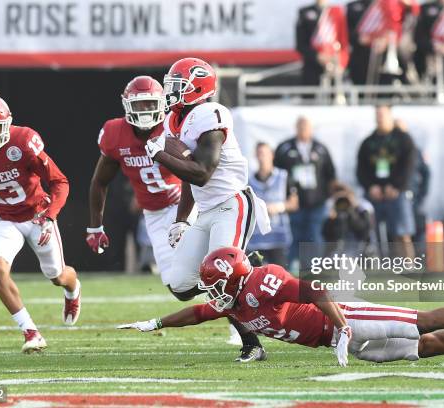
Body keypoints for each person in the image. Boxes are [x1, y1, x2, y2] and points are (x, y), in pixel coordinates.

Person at [119, 246, 444, 365]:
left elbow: (319, 290)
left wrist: (342, 326)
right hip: (340, 340)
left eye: (216, 286)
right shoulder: (233, 302)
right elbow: (195, 313)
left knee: (421, 322)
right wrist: (154, 321)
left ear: (232, 278)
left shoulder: (265, 282)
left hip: (346, 319)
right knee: (425, 346)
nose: (213, 295)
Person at [145, 57, 271, 362]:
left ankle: (252, 343)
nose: (171, 91)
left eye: (178, 86)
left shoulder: (210, 114)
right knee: (181, 284)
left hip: (232, 203)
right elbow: (190, 178)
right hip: (207, 210)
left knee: (222, 278)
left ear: (197, 87)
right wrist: (181, 221)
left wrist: (160, 154)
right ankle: (249, 274)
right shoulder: (177, 120)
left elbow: (202, 173)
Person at [0, 93, 80, 353]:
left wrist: (50, 215)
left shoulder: (22, 142)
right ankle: (30, 331)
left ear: (6, 125)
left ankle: (73, 288)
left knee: (57, 276)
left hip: (37, 215)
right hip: (4, 218)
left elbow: (60, 181)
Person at [87, 76, 189, 284]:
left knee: (197, 262)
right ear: (127, 105)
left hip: (184, 203)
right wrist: (95, 227)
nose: (145, 111)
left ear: (162, 104)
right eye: (139, 105)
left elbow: (195, 172)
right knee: (176, 284)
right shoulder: (115, 134)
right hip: (153, 214)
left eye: (150, 104)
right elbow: (99, 182)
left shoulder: (173, 128)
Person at [274, 116, 339, 267]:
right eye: (300, 126)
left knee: (314, 236)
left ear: (311, 129)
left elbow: (331, 175)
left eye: (306, 126)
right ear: (296, 128)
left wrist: (331, 201)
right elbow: (276, 173)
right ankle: (290, 270)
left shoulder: (321, 149)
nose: (303, 130)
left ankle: (313, 269)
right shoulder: (285, 148)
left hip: (317, 203)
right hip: (294, 204)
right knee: (294, 237)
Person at [356, 105, 416, 248]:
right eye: (378, 114)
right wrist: (371, 187)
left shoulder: (403, 139)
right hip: (375, 193)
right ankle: (376, 265)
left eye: (383, 114)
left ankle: (407, 266)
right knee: (370, 231)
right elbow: (361, 169)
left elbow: (408, 166)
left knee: (402, 233)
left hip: (397, 193)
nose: (380, 118)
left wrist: (396, 186)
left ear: (390, 115)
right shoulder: (368, 142)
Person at [248, 143, 298, 268]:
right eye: (259, 154)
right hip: (256, 239)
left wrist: (278, 207)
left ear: (272, 155)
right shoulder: (249, 181)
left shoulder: (283, 177)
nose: (262, 157)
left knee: (280, 277)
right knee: (254, 278)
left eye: (265, 153)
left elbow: (294, 203)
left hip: (278, 238)